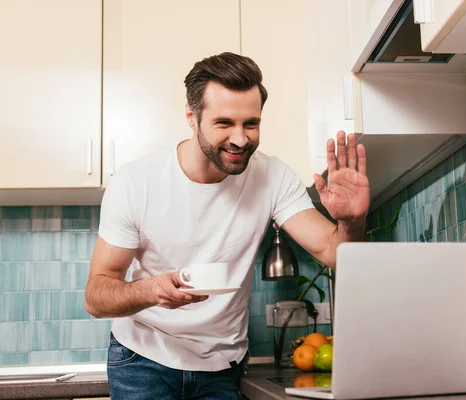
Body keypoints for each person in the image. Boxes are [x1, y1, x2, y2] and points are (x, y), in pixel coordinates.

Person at [84, 52, 370, 400]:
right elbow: (97, 296)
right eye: (224, 124)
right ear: (191, 117)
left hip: (223, 366)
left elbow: (333, 251)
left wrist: (351, 221)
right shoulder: (135, 182)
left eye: (251, 123)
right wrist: (151, 290)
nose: (240, 139)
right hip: (143, 359)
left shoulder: (272, 176)